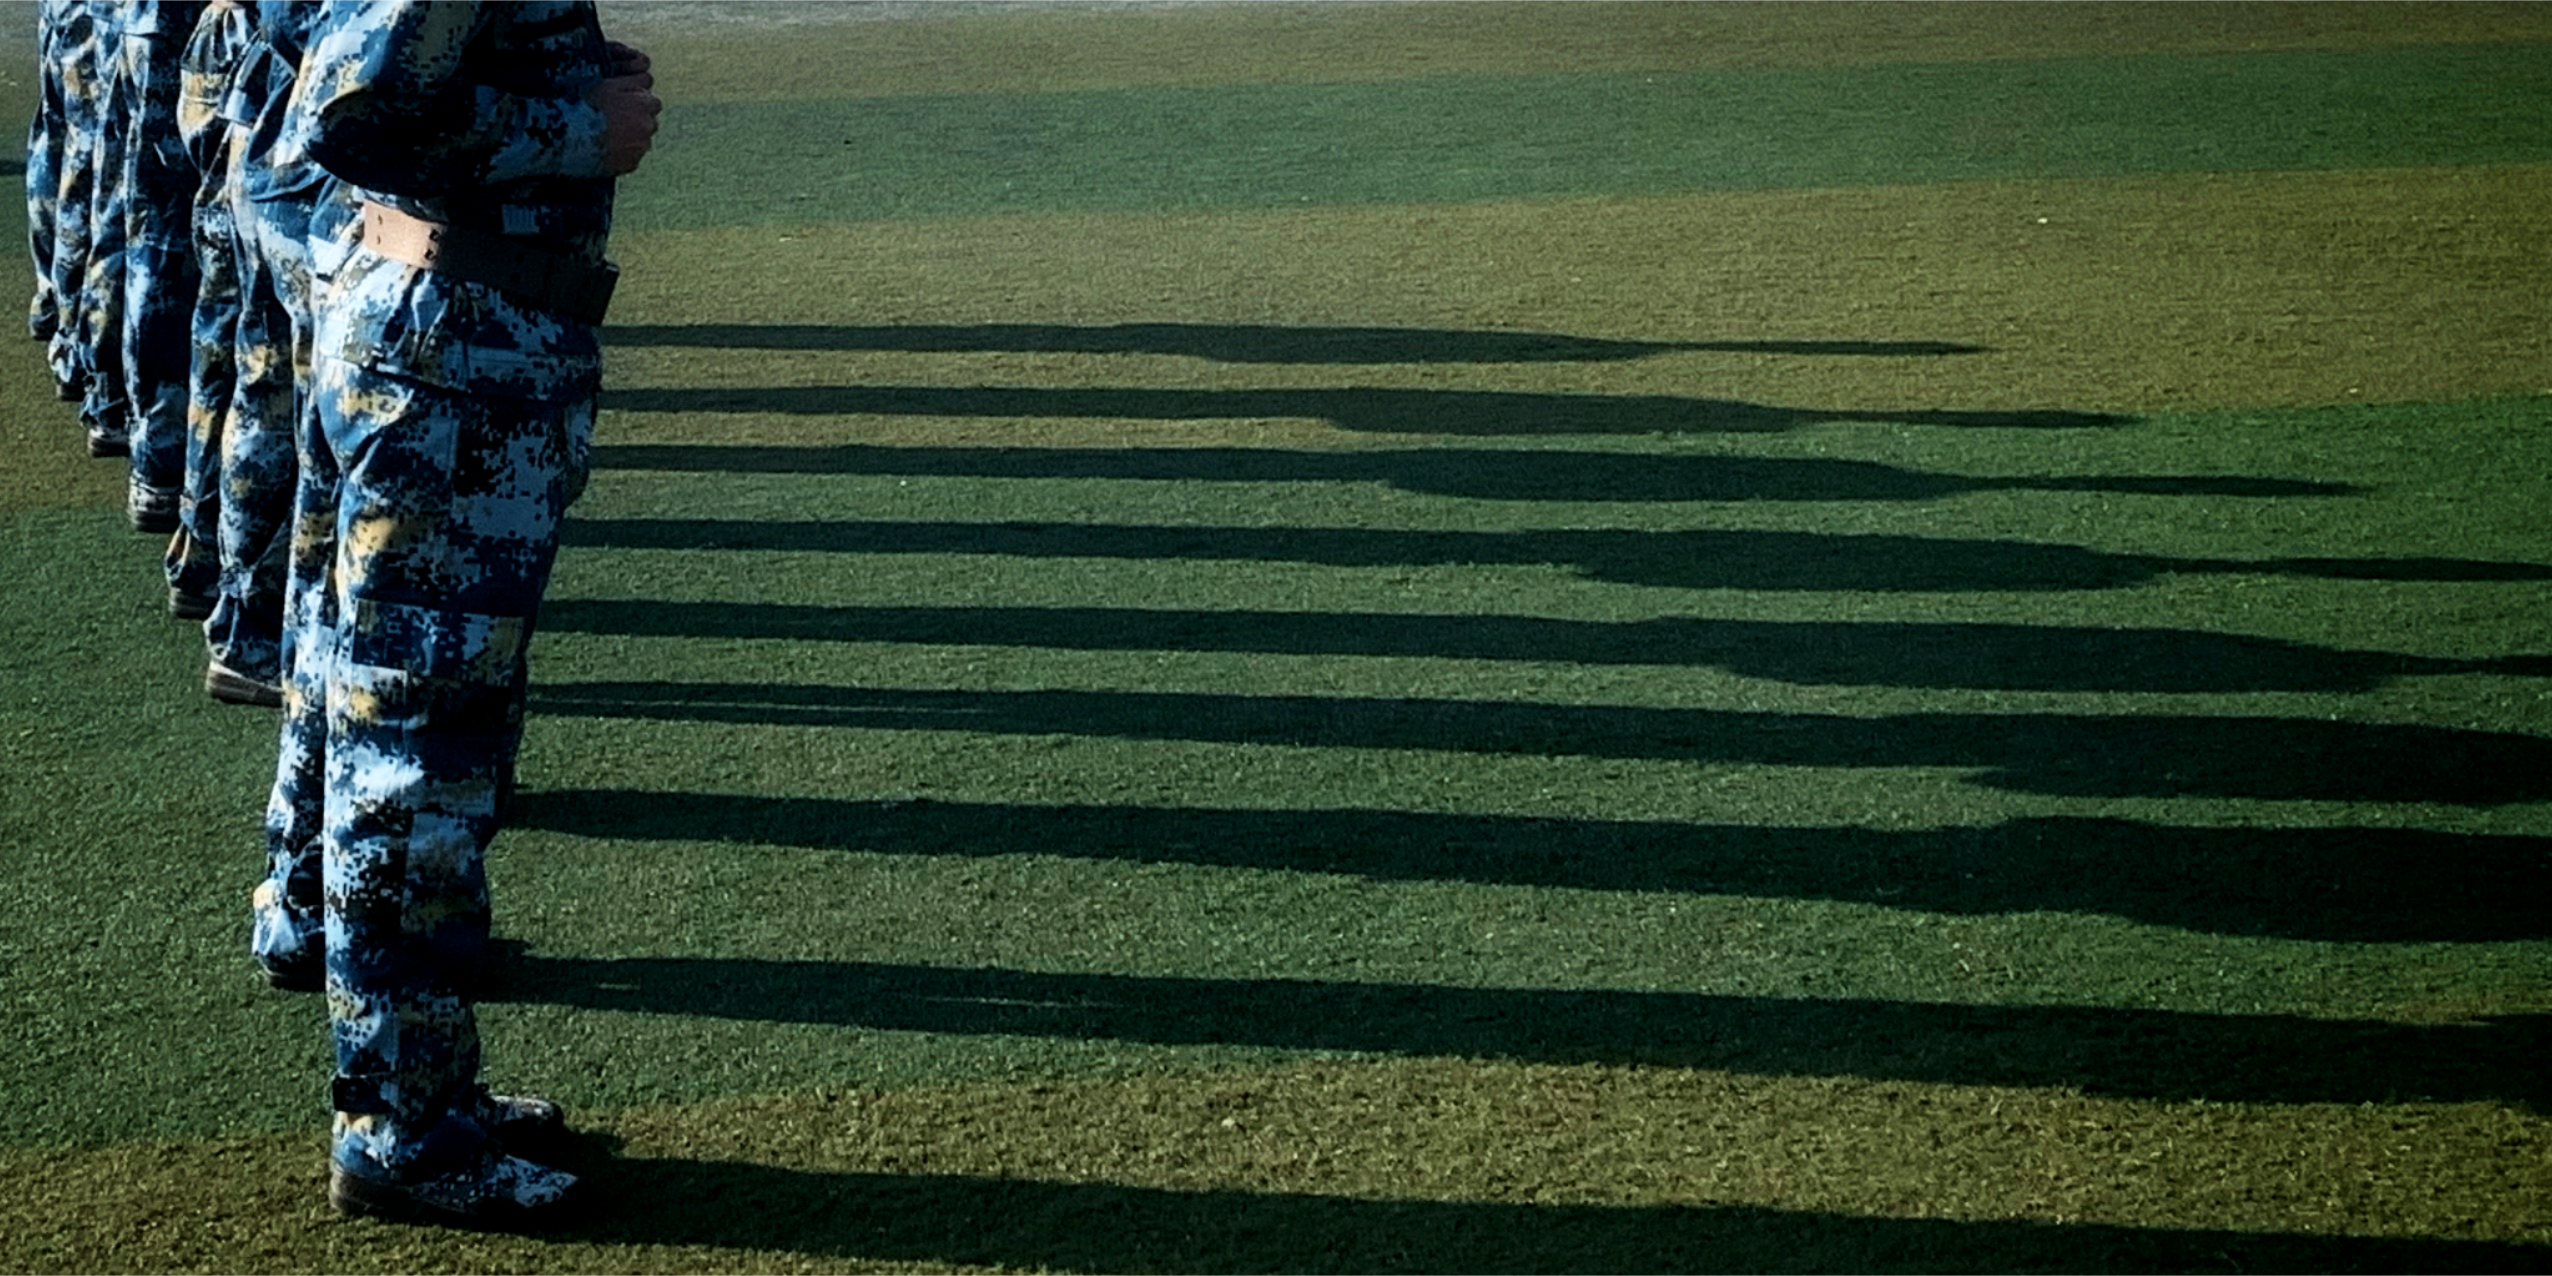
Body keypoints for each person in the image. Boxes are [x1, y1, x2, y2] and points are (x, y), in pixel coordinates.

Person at [260, 0, 659, 1226]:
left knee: (391, 731)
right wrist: (576, 126)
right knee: (416, 765)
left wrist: (571, 75)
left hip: (454, 339)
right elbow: (349, 116)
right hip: (452, 362)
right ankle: (405, 1131)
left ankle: (418, 1085)